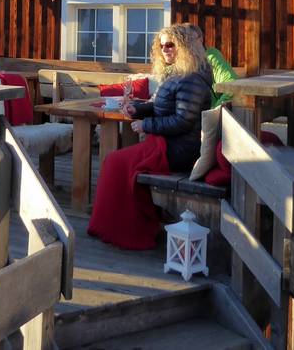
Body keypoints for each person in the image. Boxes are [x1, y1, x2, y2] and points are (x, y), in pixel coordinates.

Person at [87, 23, 213, 250]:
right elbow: (162, 106)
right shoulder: (179, 73)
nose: (165, 50)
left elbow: (183, 121)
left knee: (115, 162)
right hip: (169, 142)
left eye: (170, 45)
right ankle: (119, 225)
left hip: (180, 148)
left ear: (184, 46)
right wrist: (138, 109)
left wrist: (147, 125)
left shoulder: (192, 78)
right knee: (115, 161)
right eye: (161, 45)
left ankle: (129, 229)